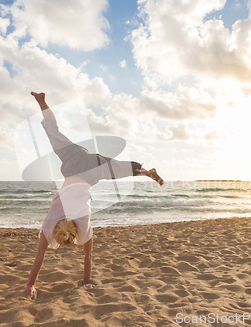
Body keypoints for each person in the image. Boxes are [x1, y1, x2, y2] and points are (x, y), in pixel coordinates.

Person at [24, 92, 164, 299]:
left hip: (91, 168)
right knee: (54, 134)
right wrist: (29, 285)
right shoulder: (49, 225)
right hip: (74, 159)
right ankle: (42, 101)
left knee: (115, 169)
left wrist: (87, 283)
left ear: (73, 238)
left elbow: (88, 256)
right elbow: (40, 255)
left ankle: (146, 172)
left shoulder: (83, 223)